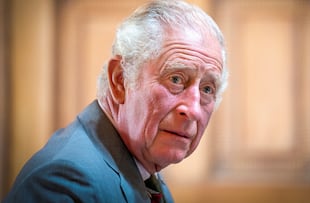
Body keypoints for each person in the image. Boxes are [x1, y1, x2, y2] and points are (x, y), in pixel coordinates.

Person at [3, 0, 228, 202]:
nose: (193, 110)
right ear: (121, 80)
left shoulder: (145, 169)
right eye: (176, 79)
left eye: (207, 88)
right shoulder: (64, 182)